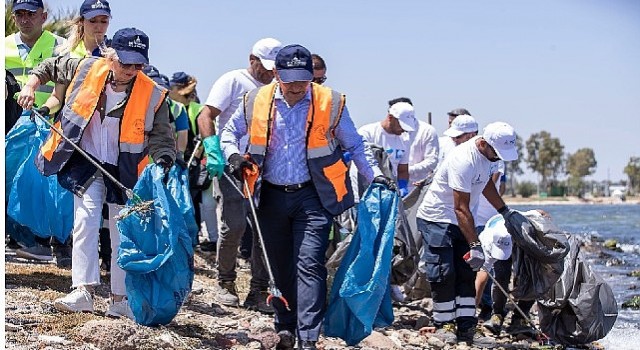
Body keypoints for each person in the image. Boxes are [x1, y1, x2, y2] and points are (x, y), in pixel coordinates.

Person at [220, 44, 391, 350]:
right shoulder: (254, 101)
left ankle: (308, 336)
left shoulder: (331, 102)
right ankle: (285, 327)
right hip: (270, 195)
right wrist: (233, 157)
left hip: (313, 196)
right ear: (277, 75)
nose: (298, 86)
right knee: (280, 264)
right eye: (291, 80)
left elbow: (356, 145)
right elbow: (228, 135)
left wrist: (375, 175)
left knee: (310, 263)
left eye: (304, 79)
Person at [17, 27, 176, 318]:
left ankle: (120, 299)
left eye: (138, 64)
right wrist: (30, 85)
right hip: (86, 160)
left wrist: (164, 161)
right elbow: (49, 67)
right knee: (86, 219)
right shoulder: (85, 67)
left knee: (121, 232)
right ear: (109, 55)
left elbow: (163, 138)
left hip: (125, 170)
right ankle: (83, 291)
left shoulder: (153, 94)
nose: (131, 70)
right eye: (125, 62)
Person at [197, 37, 283, 313]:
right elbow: (206, 115)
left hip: (265, 167)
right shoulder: (233, 81)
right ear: (252, 59)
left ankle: (258, 290)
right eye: (266, 67)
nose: (270, 73)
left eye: (274, 69)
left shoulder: (277, 88)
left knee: (263, 230)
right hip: (231, 164)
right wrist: (212, 149)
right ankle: (225, 282)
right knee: (234, 225)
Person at [415, 122, 519, 347]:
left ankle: (467, 325)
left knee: (466, 272)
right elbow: (460, 207)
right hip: (438, 219)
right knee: (444, 272)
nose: (498, 158)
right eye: (497, 153)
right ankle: (444, 325)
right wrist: (476, 244)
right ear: (483, 143)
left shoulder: (490, 157)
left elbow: (485, 187)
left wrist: (505, 211)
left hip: (462, 219)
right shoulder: (463, 159)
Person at [5, 0, 67, 263]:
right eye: (19, 14)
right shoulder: (4, 44)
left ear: (43, 16)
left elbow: (65, 87)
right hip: (11, 122)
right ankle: (18, 238)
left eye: (31, 14)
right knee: (11, 179)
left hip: (47, 122)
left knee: (44, 182)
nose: (25, 19)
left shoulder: (59, 46)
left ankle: (46, 241)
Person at [358, 101, 416, 197]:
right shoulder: (367, 133)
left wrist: (403, 186)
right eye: (401, 125)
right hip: (364, 192)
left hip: (388, 194)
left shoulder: (404, 139)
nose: (404, 129)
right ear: (390, 117)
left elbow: (402, 170)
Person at [474, 159, 506, 320]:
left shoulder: (497, 160)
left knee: (488, 265)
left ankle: (488, 306)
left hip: (488, 218)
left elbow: (494, 185)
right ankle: (482, 305)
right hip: (475, 217)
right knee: (483, 264)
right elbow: (501, 188)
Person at [388, 97, 439, 189]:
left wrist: (405, 170)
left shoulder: (427, 131)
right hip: (390, 186)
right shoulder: (389, 130)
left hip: (415, 186)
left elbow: (432, 161)